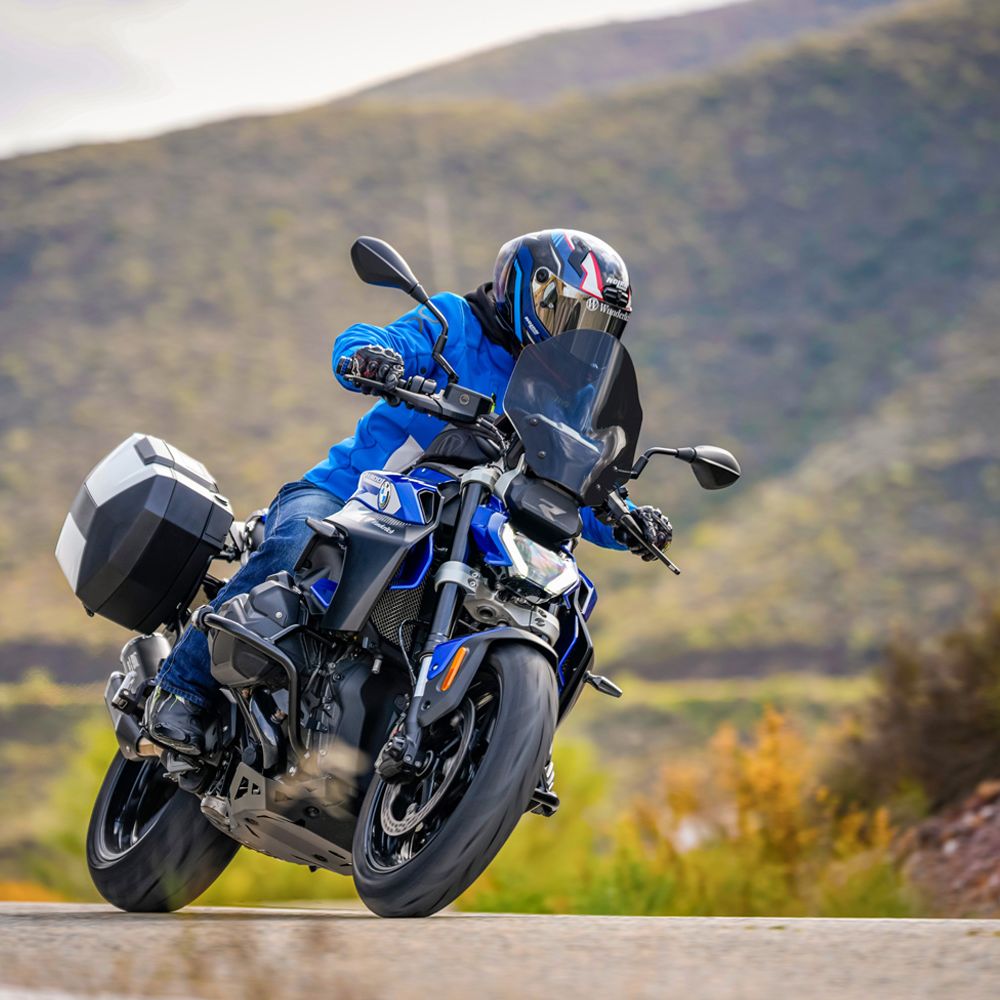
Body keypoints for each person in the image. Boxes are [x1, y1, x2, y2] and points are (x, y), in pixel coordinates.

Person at [145, 229, 673, 755]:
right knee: (291, 548)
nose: (578, 334)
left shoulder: (570, 397)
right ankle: (181, 689)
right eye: (571, 313)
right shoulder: (456, 324)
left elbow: (576, 485)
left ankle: (486, 747)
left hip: (463, 534)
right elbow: (376, 341)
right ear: (528, 289)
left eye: (596, 325)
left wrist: (626, 518)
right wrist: (371, 358)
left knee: (553, 609)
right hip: (352, 494)